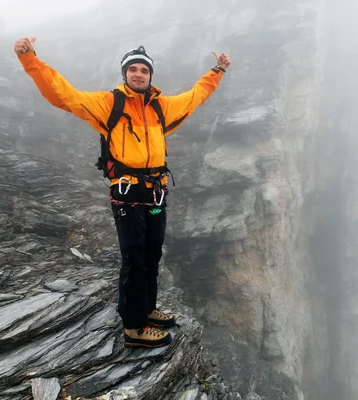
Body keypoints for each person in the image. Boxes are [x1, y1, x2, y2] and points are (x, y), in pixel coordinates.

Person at [14, 37, 231, 348]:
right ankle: (134, 327)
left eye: (144, 69)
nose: (139, 74)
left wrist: (217, 71)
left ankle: (147, 309)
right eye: (133, 69)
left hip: (156, 193)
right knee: (134, 259)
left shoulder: (160, 108)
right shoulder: (108, 105)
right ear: (125, 73)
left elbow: (195, 97)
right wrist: (30, 60)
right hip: (127, 194)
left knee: (151, 255)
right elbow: (63, 94)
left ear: (150, 76)